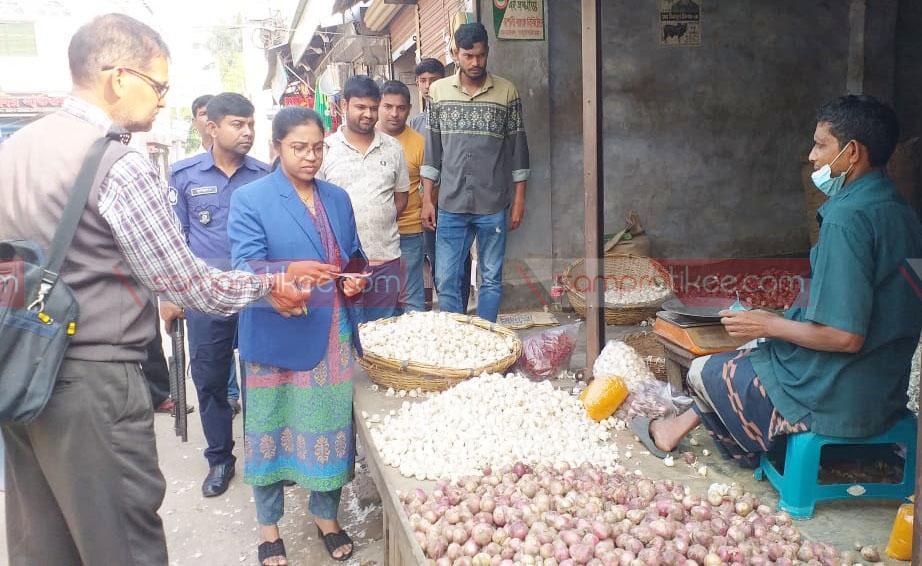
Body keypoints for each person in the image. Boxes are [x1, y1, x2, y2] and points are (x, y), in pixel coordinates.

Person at [0, 13, 316, 565]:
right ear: (118, 78)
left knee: (44, 541)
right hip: (93, 380)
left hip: (23, 370)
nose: (163, 101)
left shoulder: (17, 150)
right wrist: (269, 284)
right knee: (122, 541)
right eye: (158, 85)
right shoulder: (119, 164)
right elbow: (187, 281)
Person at [632, 95, 922, 468]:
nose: (812, 156)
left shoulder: (847, 219)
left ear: (852, 153)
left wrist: (769, 323)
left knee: (707, 370)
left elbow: (845, 337)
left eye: (821, 145)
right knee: (760, 347)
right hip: (885, 384)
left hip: (842, 392)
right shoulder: (900, 210)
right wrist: (778, 322)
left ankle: (771, 445)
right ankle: (671, 430)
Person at [229, 106, 367, 565]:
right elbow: (243, 266)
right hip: (279, 328)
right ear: (276, 148)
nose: (311, 157)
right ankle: (268, 526)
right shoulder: (252, 199)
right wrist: (289, 271)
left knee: (330, 428)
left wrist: (355, 277)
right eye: (298, 148)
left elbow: (353, 255)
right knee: (269, 427)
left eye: (318, 148)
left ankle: (325, 515)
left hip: (332, 331)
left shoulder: (337, 197)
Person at [164, 92, 270, 497]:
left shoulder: (262, 174)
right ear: (212, 128)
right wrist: (169, 295)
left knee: (261, 376)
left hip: (256, 294)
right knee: (209, 380)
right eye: (237, 124)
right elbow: (174, 239)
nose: (247, 132)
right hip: (204, 297)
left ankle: (267, 455)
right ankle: (220, 459)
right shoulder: (184, 174)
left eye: (250, 124)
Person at [421, 22, 531, 323]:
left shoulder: (507, 92)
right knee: (445, 280)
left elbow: (518, 149)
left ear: (487, 52)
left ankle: (487, 337)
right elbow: (432, 151)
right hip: (451, 204)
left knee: (491, 278)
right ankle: (458, 339)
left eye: (481, 55)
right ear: (456, 53)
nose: (475, 62)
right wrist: (428, 200)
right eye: (468, 56)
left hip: (493, 204)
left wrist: (519, 200)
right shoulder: (439, 92)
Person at [318, 75, 410, 322]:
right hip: (343, 265)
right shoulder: (326, 149)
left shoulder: (392, 148)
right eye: (360, 107)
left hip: (386, 259)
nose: (368, 114)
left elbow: (400, 198)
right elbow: (315, 205)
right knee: (347, 333)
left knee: (384, 334)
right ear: (343, 105)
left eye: (372, 108)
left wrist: (379, 218)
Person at [378, 80, 426, 312]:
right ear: (378, 106)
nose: (394, 114)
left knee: (412, 298)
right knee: (380, 299)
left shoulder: (419, 143)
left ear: (409, 108)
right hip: (372, 236)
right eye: (388, 106)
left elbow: (430, 185)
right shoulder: (367, 139)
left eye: (401, 108)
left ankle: (414, 347)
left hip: (408, 231)